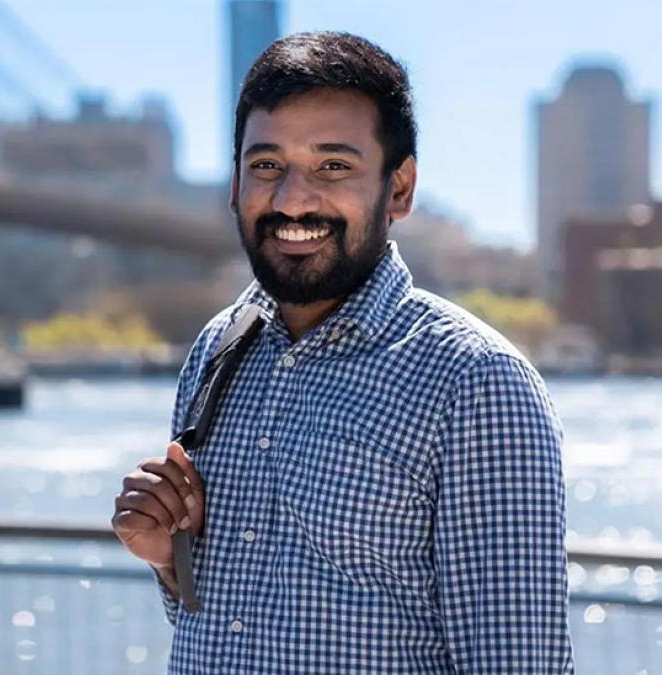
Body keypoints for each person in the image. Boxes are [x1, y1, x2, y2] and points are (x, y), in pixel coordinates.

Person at [110, 31, 573, 673]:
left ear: (399, 188)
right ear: (235, 182)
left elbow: (518, 663)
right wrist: (169, 560)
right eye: (266, 166)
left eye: (333, 167)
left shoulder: (475, 383)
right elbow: (221, 617)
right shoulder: (219, 349)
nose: (292, 200)